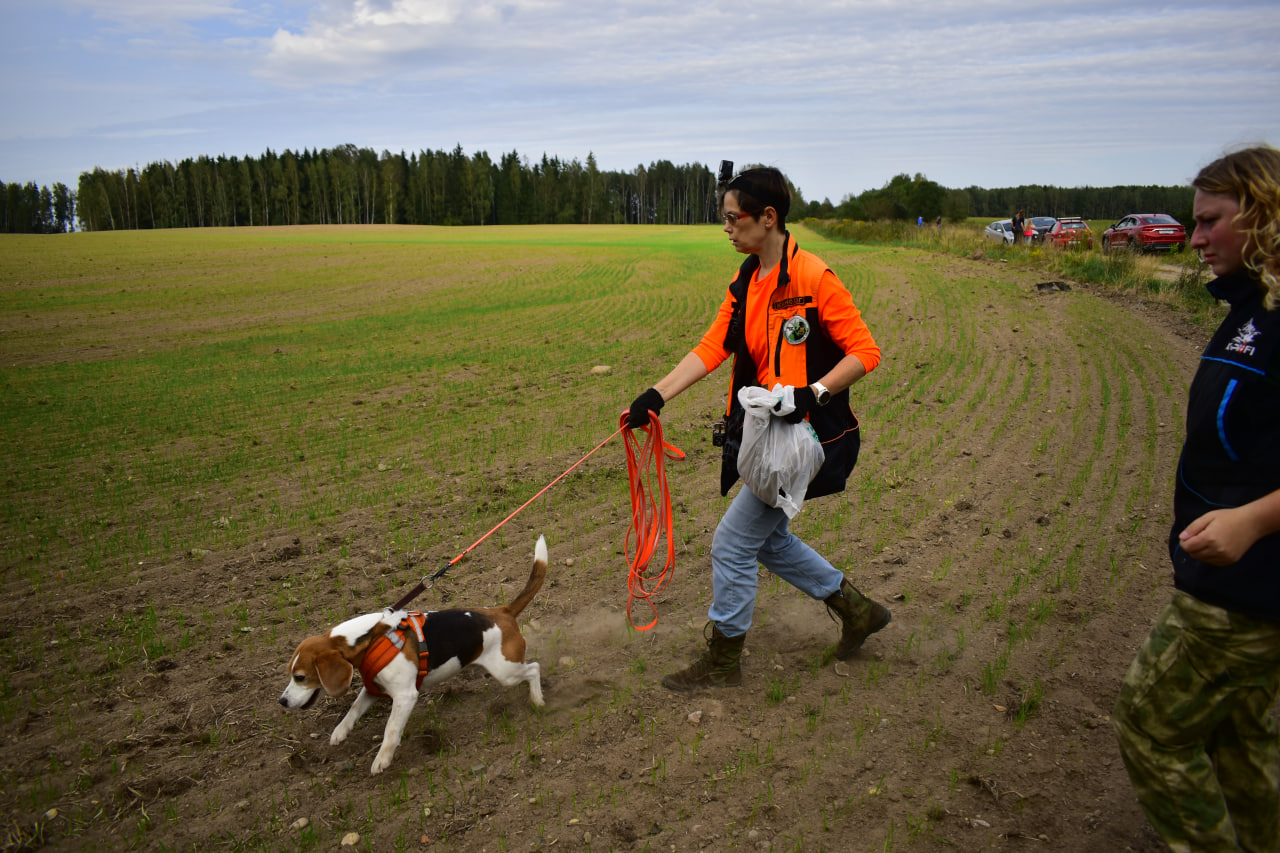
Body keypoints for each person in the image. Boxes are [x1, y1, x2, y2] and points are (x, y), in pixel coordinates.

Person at [624, 165, 890, 691]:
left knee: (731, 543)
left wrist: (811, 391)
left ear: (767, 218)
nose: (726, 228)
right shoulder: (747, 281)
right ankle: (856, 610)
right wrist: (656, 395)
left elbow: (866, 352)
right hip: (765, 439)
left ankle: (725, 660)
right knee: (765, 541)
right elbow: (712, 347)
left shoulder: (814, 278)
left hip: (806, 441)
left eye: (732, 218)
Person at [1112, 145, 1280, 853]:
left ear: (1264, 214)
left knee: (1151, 726)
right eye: (1193, 221)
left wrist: (1252, 519)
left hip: (1246, 586)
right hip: (1240, 579)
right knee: (1243, 742)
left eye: (1212, 221)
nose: (1196, 237)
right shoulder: (1253, 308)